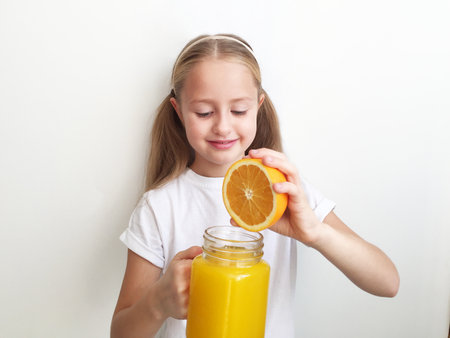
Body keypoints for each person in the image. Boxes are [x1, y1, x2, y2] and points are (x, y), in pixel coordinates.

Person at [110, 33, 399, 338]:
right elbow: (120, 333)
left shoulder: (286, 190)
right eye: (204, 112)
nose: (222, 126)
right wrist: (158, 302)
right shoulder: (160, 207)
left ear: (258, 106)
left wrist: (316, 232)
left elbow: (387, 283)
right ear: (178, 110)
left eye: (238, 110)